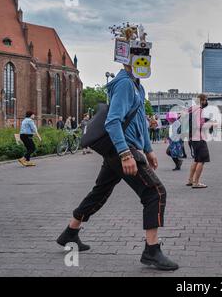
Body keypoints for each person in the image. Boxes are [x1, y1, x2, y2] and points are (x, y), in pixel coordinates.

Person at [56, 23, 178, 271]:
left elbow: (140, 122)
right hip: (120, 147)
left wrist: (149, 149)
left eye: (145, 56)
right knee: (155, 192)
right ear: (127, 58)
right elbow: (113, 121)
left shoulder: (137, 86)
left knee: (100, 192)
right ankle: (151, 251)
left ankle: (70, 232)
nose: (143, 60)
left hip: (123, 147)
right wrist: (126, 154)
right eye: (139, 56)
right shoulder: (124, 83)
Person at [187, 94, 213, 189]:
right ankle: (196, 182)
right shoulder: (200, 110)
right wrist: (210, 124)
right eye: (206, 100)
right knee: (202, 160)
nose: (206, 102)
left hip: (192, 138)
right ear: (202, 100)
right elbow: (200, 125)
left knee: (196, 159)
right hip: (199, 138)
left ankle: (190, 180)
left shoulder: (191, 109)